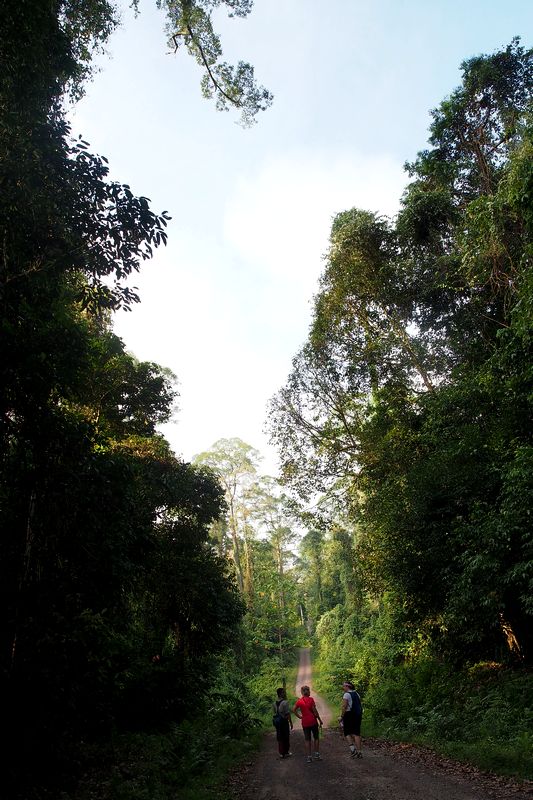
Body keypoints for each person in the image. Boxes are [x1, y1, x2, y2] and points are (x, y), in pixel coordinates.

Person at [292, 685, 323, 763]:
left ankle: (309, 757)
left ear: (302, 693)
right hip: (313, 721)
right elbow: (315, 711)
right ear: (308, 691)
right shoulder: (311, 700)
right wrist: (319, 720)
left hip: (305, 722)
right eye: (309, 690)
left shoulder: (299, 701)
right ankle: (317, 754)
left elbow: (293, 709)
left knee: (307, 739)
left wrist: (299, 716)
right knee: (316, 738)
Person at [340, 681, 363, 758]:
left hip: (349, 714)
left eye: (344, 686)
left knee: (347, 732)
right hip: (357, 715)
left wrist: (341, 716)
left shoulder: (346, 694)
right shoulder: (357, 694)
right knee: (357, 733)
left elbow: (344, 706)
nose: (343, 688)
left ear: (347, 686)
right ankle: (359, 751)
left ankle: (353, 750)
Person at [274, 687, 293, 758]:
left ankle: (281, 753)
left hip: (277, 722)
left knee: (279, 736)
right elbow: (288, 714)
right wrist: (290, 722)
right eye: (283, 692)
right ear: (281, 694)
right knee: (286, 736)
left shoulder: (274, 703)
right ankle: (286, 751)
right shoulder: (285, 702)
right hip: (284, 721)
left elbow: (274, 713)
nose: (284, 693)